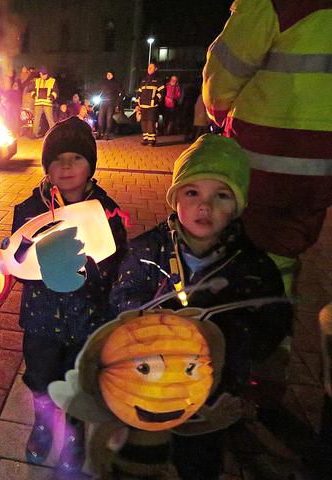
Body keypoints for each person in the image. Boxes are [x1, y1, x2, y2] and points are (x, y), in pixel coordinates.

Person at [109, 134, 292, 479]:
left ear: (238, 205)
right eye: (192, 193)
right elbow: (123, 295)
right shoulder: (147, 250)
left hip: (213, 392)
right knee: (142, 454)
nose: (204, 206)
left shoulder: (252, 266)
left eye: (221, 195)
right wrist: (149, 320)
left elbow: (272, 321)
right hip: (151, 386)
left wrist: (223, 337)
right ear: (175, 197)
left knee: (200, 459)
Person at [13, 117, 127, 476]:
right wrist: (18, 258)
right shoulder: (30, 210)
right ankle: (44, 424)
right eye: (57, 158)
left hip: (87, 316)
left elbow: (118, 261)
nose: (66, 166)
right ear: (46, 166)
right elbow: (17, 260)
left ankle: (74, 434)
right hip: (41, 316)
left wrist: (94, 273)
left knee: (77, 379)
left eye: (76, 157)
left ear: (90, 165)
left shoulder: (106, 211)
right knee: (41, 375)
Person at [203, 0, 332, 299]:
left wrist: (218, 113)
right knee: (287, 245)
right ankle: (277, 313)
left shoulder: (271, 3)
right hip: (322, 167)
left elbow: (224, 71)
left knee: (248, 244)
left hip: (263, 157)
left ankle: (246, 312)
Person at [136, 62, 164, 146]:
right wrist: (137, 104)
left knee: (150, 122)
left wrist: (155, 100)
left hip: (152, 106)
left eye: (151, 67)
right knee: (143, 122)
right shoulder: (143, 80)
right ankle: (146, 139)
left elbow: (162, 92)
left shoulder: (158, 80)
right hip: (143, 105)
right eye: (148, 67)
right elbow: (139, 93)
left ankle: (152, 140)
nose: (149, 68)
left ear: (155, 69)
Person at [30, 65, 58, 138]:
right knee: (36, 119)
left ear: (46, 74)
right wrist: (33, 95)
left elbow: (55, 91)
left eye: (42, 74)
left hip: (47, 103)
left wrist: (52, 96)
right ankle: (34, 134)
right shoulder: (37, 81)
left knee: (50, 119)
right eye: (40, 74)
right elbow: (32, 90)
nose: (41, 75)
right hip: (38, 102)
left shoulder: (52, 81)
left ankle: (54, 135)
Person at [98, 70, 123, 140]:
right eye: (107, 74)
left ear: (113, 75)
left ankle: (107, 133)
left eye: (110, 74)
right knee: (100, 117)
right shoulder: (104, 83)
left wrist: (117, 102)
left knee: (109, 118)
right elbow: (99, 90)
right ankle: (101, 132)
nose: (108, 76)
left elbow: (122, 93)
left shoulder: (116, 83)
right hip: (103, 102)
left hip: (111, 103)